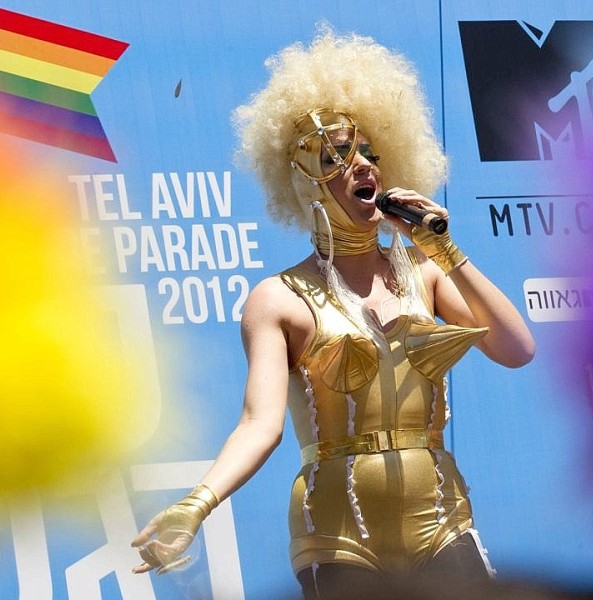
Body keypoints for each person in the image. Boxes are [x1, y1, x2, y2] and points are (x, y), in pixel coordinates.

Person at [131, 28, 536, 599]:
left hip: (443, 523)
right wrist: (195, 506)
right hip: (337, 534)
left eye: (369, 152)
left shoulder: (426, 272)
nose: (361, 165)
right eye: (335, 157)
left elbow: (518, 350)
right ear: (306, 186)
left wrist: (444, 247)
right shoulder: (279, 297)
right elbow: (260, 424)